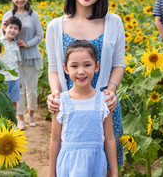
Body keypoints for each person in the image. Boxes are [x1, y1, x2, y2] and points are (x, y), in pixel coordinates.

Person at [46, 0, 125, 174]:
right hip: (70, 109)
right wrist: (55, 93)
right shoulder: (55, 26)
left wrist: (111, 90)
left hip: (105, 107)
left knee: (107, 166)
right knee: (70, 163)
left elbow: (119, 64)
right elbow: (53, 67)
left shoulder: (114, 22)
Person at [49, 40, 118, 177]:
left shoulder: (104, 102)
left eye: (87, 65)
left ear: (96, 66)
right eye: (74, 66)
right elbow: (55, 139)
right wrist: (51, 173)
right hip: (68, 166)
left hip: (96, 165)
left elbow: (109, 139)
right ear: (66, 69)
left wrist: (115, 173)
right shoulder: (60, 102)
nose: (81, 71)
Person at [0, 0, 44, 130]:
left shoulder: (34, 15)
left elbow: (39, 35)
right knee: (18, 89)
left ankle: (31, 114)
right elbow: (2, 35)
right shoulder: (7, 15)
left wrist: (27, 44)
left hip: (31, 56)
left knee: (32, 89)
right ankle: (20, 118)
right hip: (13, 58)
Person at [0, 16, 22, 112]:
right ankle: (3, 125)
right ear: (5, 28)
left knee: (13, 103)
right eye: (10, 27)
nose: (12, 30)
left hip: (14, 79)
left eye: (15, 28)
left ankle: (12, 124)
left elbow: (17, 63)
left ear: (18, 31)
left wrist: (19, 79)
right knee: (2, 103)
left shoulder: (16, 46)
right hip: (2, 78)